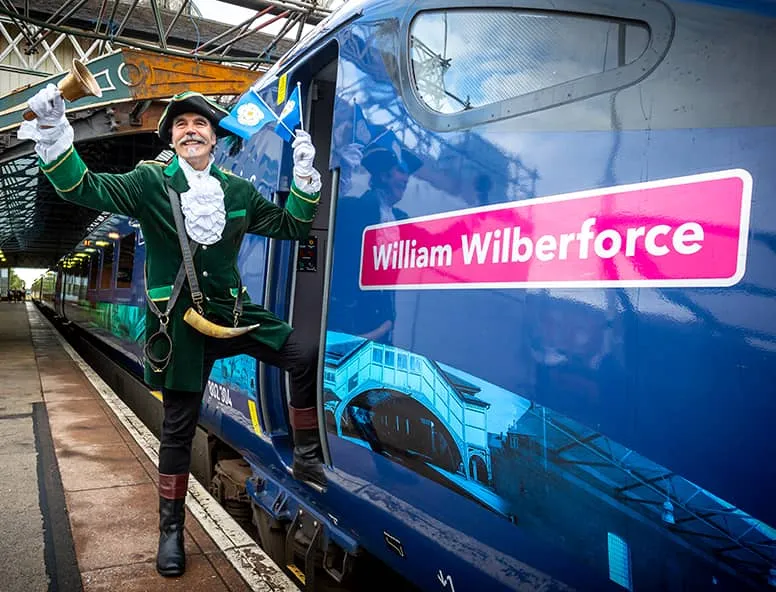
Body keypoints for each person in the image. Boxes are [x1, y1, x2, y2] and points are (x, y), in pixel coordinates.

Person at [19, 84, 325, 577]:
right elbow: (82, 187)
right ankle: (171, 532)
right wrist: (56, 134)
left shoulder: (239, 191)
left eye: (199, 124)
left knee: (302, 352)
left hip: (232, 316)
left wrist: (306, 177)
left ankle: (307, 455)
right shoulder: (148, 183)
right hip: (179, 327)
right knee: (178, 433)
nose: (190, 130)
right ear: (173, 138)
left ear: (214, 138)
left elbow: (292, 226)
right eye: (180, 125)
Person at [331, 140, 422, 343]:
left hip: (382, 325)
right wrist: (338, 174)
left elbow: (436, 242)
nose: (406, 179)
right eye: (401, 170)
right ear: (383, 175)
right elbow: (320, 217)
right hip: (349, 324)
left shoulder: (400, 219)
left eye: (407, 174)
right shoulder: (353, 208)